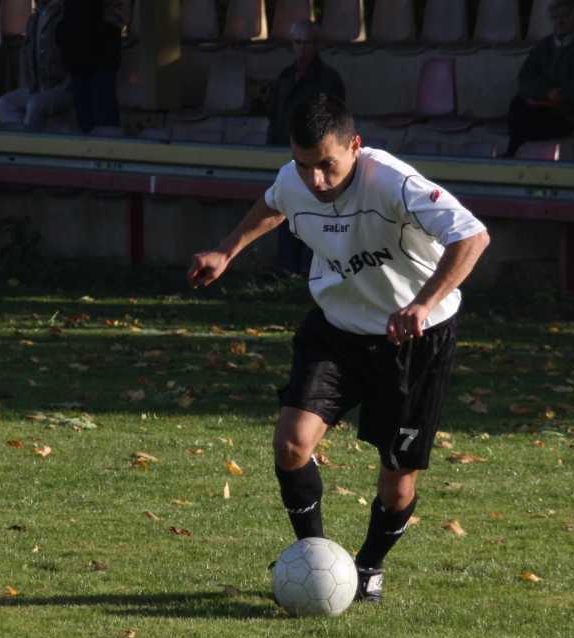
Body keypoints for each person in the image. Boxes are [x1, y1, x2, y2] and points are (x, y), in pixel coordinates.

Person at [188, 94, 490, 603]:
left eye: (327, 165)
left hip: (414, 339)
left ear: (354, 145)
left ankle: (369, 566)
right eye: (305, 166)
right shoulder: (295, 178)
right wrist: (227, 249)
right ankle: (315, 557)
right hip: (336, 329)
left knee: (397, 480)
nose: (316, 181)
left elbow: (473, 237)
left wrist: (421, 303)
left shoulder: (393, 183)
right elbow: (274, 202)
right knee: (291, 444)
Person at [268, 20, 346, 276]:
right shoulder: (284, 77)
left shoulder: (329, 78)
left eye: (307, 43)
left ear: (317, 45)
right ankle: (286, 264)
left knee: (316, 210)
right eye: (297, 42)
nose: (301, 48)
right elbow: (275, 116)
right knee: (286, 206)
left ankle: (310, 266)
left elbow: (337, 120)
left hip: (316, 157)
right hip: (286, 152)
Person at [505, 0, 574, 157]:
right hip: (548, 104)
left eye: (565, 16)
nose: (559, 22)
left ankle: (513, 153)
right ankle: (515, 152)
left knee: (525, 122)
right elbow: (525, 78)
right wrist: (546, 92)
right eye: (555, 17)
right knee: (518, 104)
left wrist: (560, 93)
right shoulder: (544, 45)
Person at [0, 0, 71, 132]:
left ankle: (26, 144)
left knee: (35, 104)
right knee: (5, 103)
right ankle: (20, 142)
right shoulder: (34, 18)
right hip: (38, 87)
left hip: (63, 87)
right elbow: (26, 54)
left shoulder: (64, 14)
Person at [57, 0, 126, 133]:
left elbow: (116, 16)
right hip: (83, 59)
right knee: (92, 120)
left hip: (97, 60)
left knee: (101, 121)